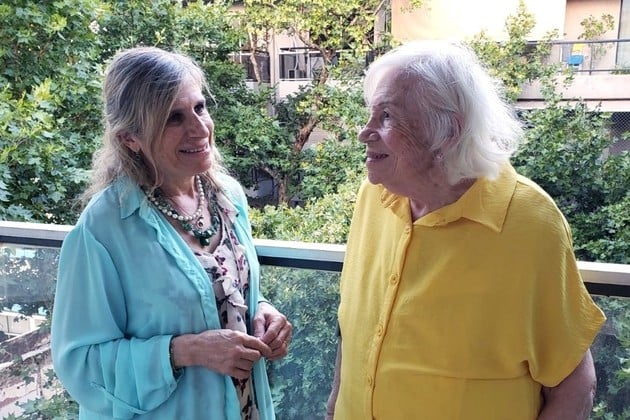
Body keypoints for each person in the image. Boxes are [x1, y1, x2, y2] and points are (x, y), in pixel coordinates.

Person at [326, 41, 606, 419]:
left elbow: (575, 384)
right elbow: (355, 330)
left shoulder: (529, 222)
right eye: (371, 114)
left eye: (387, 116)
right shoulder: (374, 196)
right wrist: (333, 408)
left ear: (447, 132)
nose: (365, 132)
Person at [51, 46, 292, 420]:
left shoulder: (228, 197)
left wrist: (261, 311)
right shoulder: (104, 227)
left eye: (199, 108)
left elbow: (214, 288)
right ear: (130, 138)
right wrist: (188, 351)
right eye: (173, 118)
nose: (199, 128)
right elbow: (79, 365)